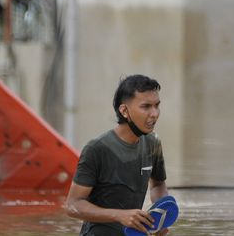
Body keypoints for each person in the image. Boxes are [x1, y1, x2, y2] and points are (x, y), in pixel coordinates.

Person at [64, 74, 170, 235]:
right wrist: (120, 215)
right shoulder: (96, 149)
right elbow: (73, 205)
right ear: (124, 110)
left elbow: (158, 184)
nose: (154, 113)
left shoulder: (153, 143)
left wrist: (161, 216)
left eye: (157, 105)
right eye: (146, 106)